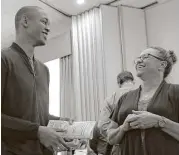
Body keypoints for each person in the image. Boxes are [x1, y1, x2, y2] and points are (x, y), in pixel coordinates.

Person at [1, 6, 70, 155]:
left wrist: (61, 123)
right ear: (25, 21)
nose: (48, 28)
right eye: (44, 22)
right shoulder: (3, 60)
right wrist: (37, 131)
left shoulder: (44, 70)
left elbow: (37, 116)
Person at [107, 47, 179, 155]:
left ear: (162, 65)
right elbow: (110, 138)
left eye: (146, 57)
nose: (139, 61)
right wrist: (123, 128)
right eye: (138, 58)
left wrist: (159, 121)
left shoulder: (175, 92)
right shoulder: (124, 98)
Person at [88, 71, 135, 155]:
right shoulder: (143, 94)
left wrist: (115, 136)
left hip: (119, 147)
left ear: (119, 83)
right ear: (133, 82)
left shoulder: (110, 100)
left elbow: (102, 126)